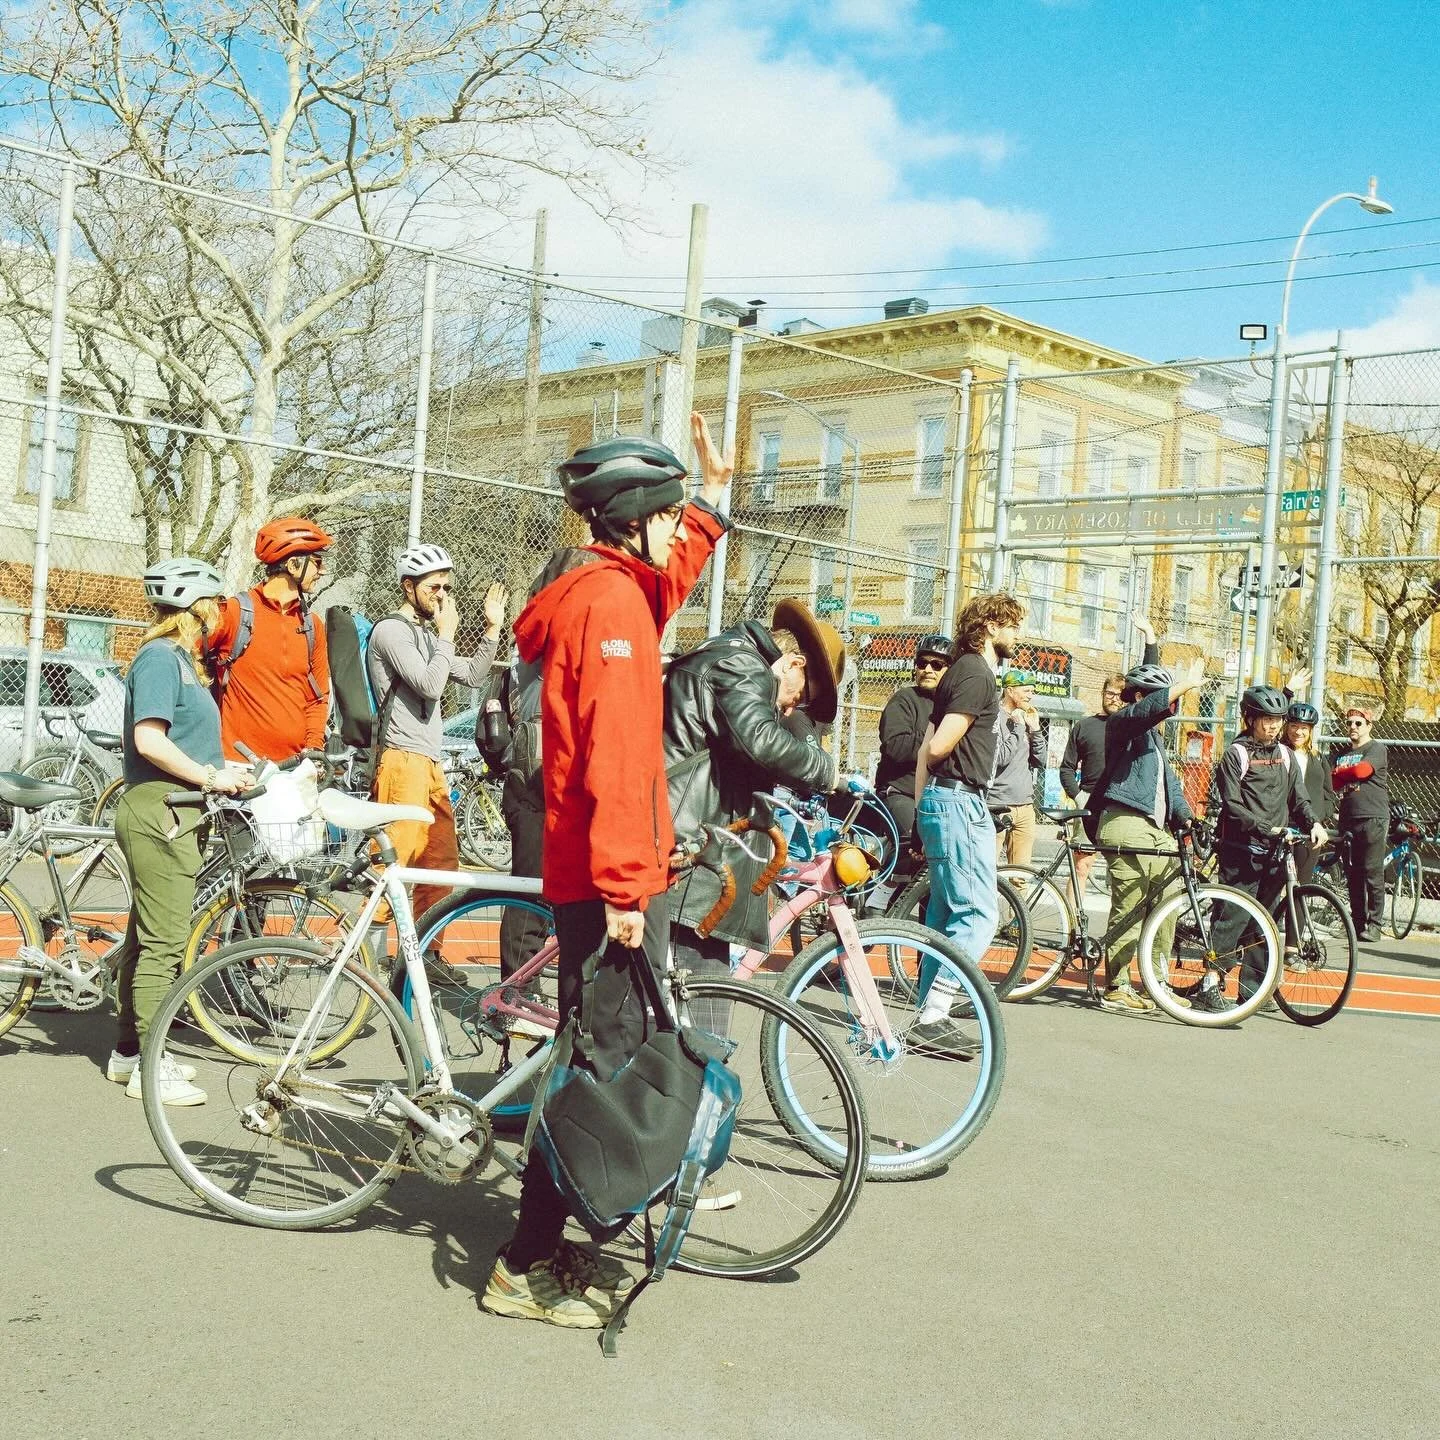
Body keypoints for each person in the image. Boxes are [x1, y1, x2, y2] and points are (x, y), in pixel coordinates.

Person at [483, 415, 731, 1330]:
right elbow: (619, 761)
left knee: (596, 1050)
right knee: (599, 1060)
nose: (674, 532)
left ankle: (554, 1237)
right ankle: (523, 1264)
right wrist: (630, 887)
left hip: (597, 868)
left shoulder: (604, 590)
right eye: (668, 515)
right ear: (634, 519)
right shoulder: (612, 608)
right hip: (607, 877)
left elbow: (665, 584)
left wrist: (708, 507)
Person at [106, 557, 253, 1106]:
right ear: (197, 607)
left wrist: (224, 771)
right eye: (215, 603)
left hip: (173, 809)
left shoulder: (177, 660)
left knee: (145, 938)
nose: (220, 614)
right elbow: (149, 740)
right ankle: (151, 1065)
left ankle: (129, 1054)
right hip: (160, 812)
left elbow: (186, 743)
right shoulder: (159, 658)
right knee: (164, 945)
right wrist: (211, 777)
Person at [663, 600, 847, 978]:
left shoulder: (737, 660)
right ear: (794, 663)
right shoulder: (740, 665)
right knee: (698, 997)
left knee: (694, 996)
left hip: (696, 848)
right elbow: (760, 742)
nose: (792, 710)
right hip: (689, 855)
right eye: (801, 697)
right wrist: (829, 773)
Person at [365, 546, 506, 933]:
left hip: (429, 762)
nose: (442, 595)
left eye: (446, 587)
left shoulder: (427, 636)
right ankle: (360, 952)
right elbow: (430, 685)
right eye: (433, 587)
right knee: (395, 861)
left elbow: (474, 675)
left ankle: (429, 955)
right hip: (401, 760)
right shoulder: (392, 631)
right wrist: (446, 635)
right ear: (408, 587)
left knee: (440, 864)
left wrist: (492, 629)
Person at [911, 591, 1022, 1055]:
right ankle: (934, 1014)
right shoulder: (976, 673)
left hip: (943, 799)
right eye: (1012, 625)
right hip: (960, 800)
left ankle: (925, 1013)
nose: (1018, 635)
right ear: (991, 626)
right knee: (979, 914)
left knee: (944, 912)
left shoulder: (960, 671)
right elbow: (937, 747)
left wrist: (922, 811)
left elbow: (925, 750)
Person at [1089, 656, 1208, 1013]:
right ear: (1140, 697)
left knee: (1168, 904)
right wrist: (1185, 684)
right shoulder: (1122, 723)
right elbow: (1145, 710)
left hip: (1156, 830)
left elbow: (1170, 786)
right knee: (1132, 906)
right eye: (1164, 698)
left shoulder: (1153, 740)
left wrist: (1187, 818)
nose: (1170, 707)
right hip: (1125, 821)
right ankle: (1117, 985)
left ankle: (1158, 983)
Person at [1206, 685, 1327, 1009]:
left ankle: (1253, 990)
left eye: (1277, 719)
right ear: (1250, 718)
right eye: (1266, 719)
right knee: (1232, 918)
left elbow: (1299, 798)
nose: (1273, 726)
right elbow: (1232, 804)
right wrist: (1262, 828)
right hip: (1241, 850)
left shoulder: (1286, 755)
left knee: (1265, 920)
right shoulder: (1237, 754)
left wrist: (1313, 823)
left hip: (1275, 851)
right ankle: (1210, 984)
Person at [205, 517, 333, 763]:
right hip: (238, 765)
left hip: (293, 767)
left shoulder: (312, 625)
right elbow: (184, 658)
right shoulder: (235, 613)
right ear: (293, 565)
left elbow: (318, 698)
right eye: (317, 562)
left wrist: (313, 749)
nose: (322, 571)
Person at [1059, 617, 1160, 896]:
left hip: (1120, 803)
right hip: (1089, 801)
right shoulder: (1084, 726)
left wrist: (1149, 636)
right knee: (1081, 866)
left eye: (1119, 694)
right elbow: (1066, 768)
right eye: (1108, 693)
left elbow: (1151, 689)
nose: (1113, 698)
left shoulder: (1130, 725)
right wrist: (1078, 796)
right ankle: (1072, 920)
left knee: (1125, 871)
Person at [875, 633, 953, 874]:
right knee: (917, 846)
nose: (928, 669)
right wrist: (936, 738)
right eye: (922, 663)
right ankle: (880, 893)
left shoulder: (953, 706)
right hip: (901, 792)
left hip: (936, 795)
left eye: (937, 665)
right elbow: (896, 747)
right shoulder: (905, 699)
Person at [1332, 705, 1390, 943]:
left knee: (1372, 871)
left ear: (1369, 726)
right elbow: (1334, 783)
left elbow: (1363, 771)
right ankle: (1357, 924)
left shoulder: (1376, 748)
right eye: (1349, 723)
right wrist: (1346, 773)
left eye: (1358, 723)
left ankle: (1375, 925)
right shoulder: (1342, 753)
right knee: (1353, 874)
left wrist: (1343, 772)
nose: (1353, 727)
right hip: (1348, 819)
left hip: (1372, 816)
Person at [990, 670, 1046, 867]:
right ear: (1010, 690)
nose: (1031, 696)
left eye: (1032, 691)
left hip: (1025, 806)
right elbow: (1000, 758)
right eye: (1026, 691)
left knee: (1020, 874)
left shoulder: (1025, 717)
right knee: (988, 871)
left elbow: (1040, 761)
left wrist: (1035, 729)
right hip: (997, 805)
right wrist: (1019, 727)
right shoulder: (994, 717)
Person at [1282, 698, 1336, 889]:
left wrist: (1320, 815)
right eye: (1294, 726)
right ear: (1286, 727)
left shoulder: (1318, 758)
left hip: (1309, 830)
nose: (1298, 732)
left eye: (1304, 728)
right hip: (1283, 826)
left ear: (1311, 730)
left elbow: (1328, 793)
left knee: (1302, 886)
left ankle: (1297, 912)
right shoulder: (1278, 752)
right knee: (1273, 885)